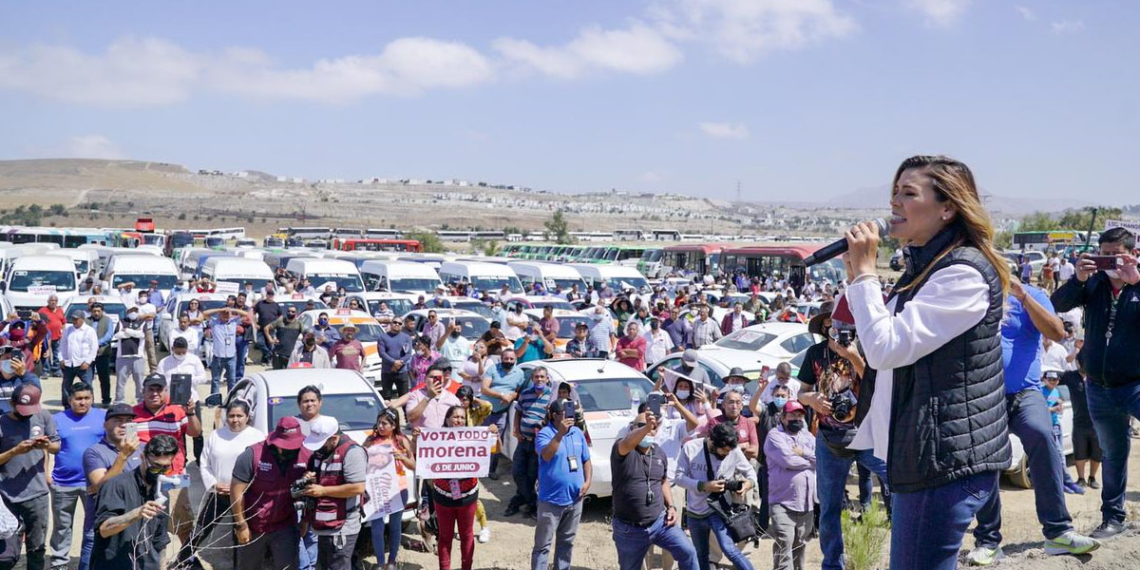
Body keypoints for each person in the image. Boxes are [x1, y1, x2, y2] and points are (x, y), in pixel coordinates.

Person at [842, 155, 1013, 570]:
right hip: (928, 454)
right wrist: (855, 275)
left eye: (908, 193)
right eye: (893, 193)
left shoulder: (964, 275)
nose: (894, 204)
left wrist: (866, 274)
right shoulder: (928, 268)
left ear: (947, 208)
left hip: (943, 462)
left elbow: (885, 349)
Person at [1050, 226, 1140, 539]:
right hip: (1099, 387)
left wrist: (1136, 284)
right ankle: (1114, 519)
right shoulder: (1095, 283)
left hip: (1135, 384)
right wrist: (1079, 278)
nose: (1110, 262)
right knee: (1113, 455)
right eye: (1104, 255)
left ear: (1133, 254)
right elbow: (1058, 305)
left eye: (1116, 255)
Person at [610, 408, 698, 570]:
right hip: (630, 528)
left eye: (653, 426)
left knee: (688, 552)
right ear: (632, 428)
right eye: (642, 425)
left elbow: (662, 481)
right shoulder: (623, 449)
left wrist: (670, 506)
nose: (650, 429)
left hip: (660, 522)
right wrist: (645, 428)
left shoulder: (658, 453)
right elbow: (627, 443)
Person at [132, 374, 201, 563]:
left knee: (183, 523)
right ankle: (153, 562)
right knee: (147, 523)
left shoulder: (178, 411)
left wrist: (191, 413)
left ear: (166, 392)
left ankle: (189, 559)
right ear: (143, 391)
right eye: (151, 389)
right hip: (144, 480)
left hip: (176, 478)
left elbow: (195, 432)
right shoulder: (133, 414)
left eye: (159, 389)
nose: (155, 393)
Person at [189, 400, 264, 570]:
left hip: (245, 497)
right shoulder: (216, 435)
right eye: (231, 416)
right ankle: (183, 560)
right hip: (219, 494)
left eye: (239, 416)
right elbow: (205, 462)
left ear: (247, 417)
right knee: (200, 530)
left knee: (240, 534)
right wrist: (214, 484)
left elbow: (262, 467)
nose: (235, 420)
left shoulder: (258, 437)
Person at [674, 422, 757, 570]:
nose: (726, 454)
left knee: (730, 549)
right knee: (702, 555)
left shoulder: (734, 451)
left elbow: (751, 474)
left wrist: (747, 484)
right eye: (723, 451)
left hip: (719, 510)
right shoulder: (691, 448)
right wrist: (703, 486)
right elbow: (679, 477)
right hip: (695, 512)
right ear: (712, 441)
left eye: (729, 451)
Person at [92, 434, 180, 570]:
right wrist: (136, 514)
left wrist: (162, 567)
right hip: (114, 564)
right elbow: (104, 529)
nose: (159, 473)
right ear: (143, 458)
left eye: (165, 468)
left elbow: (160, 540)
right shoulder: (116, 485)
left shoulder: (161, 490)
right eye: (155, 467)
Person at [231, 417, 308, 570]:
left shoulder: (305, 454)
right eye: (286, 446)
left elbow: (309, 492)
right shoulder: (252, 455)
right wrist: (241, 525)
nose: (291, 450)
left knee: (288, 567)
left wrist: (305, 519)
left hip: (285, 524)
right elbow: (236, 492)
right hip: (254, 525)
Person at [0, 384, 58, 570]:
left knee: (37, 548)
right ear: (11, 403)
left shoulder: (43, 416)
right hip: (7, 496)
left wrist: (46, 445)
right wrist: (15, 451)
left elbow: (56, 446)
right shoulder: (2, 423)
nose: (26, 414)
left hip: (37, 494)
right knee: (6, 553)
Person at [48, 382, 105, 570]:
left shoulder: (103, 417)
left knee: (94, 527)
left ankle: (92, 561)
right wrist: (47, 474)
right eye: (78, 399)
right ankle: (59, 563)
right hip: (63, 482)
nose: (83, 402)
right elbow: (45, 448)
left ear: (93, 398)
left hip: (94, 483)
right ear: (70, 400)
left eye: (87, 398)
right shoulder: (57, 419)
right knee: (62, 527)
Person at [299, 416, 367, 570]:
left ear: (334, 438)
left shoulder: (353, 453)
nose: (318, 448)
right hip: (321, 524)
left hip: (342, 526)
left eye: (322, 443)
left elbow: (357, 488)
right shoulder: (321, 452)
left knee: (337, 566)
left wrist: (323, 490)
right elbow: (319, 476)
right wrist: (309, 478)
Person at [531, 398, 591, 570]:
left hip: (575, 499)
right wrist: (560, 434)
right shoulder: (544, 434)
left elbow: (586, 460)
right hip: (551, 501)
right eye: (564, 414)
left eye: (570, 413)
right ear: (553, 415)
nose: (568, 417)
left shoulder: (578, 433)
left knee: (566, 543)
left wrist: (587, 481)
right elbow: (546, 455)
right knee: (543, 545)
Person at [81, 404, 140, 570]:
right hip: (101, 524)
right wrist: (123, 456)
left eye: (128, 421)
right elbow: (102, 489)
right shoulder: (94, 452)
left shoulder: (141, 449)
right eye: (117, 420)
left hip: (131, 522)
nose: (123, 425)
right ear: (105, 424)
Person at [428, 405, 481, 570]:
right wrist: (417, 439)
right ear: (447, 419)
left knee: (466, 535)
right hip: (443, 496)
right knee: (445, 536)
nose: (459, 420)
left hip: (467, 496)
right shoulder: (435, 437)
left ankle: (467, 567)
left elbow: (495, 449)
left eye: (462, 417)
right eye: (455, 417)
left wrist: (493, 434)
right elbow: (422, 455)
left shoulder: (474, 437)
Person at [765, 401, 816, 570]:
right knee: (784, 541)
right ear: (782, 417)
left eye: (799, 415)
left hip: (806, 502)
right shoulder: (775, 436)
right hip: (782, 501)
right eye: (792, 415)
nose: (797, 419)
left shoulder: (807, 436)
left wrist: (804, 453)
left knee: (799, 543)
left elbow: (821, 458)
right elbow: (787, 460)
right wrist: (811, 462)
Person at [363, 408, 415, 570]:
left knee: (395, 526)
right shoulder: (370, 440)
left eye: (385, 423)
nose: (380, 426)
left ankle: (392, 561)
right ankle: (379, 563)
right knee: (377, 527)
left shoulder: (402, 440)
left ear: (394, 425)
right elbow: (360, 460)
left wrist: (402, 457)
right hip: (377, 489)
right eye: (379, 422)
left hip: (398, 490)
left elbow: (414, 465)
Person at [506, 365, 555, 517]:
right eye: (536, 377)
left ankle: (522, 502)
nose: (539, 379)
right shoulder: (526, 393)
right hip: (523, 440)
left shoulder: (551, 397)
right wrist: (517, 431)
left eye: (542, 377)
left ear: (547, 379)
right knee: (517, 471)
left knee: (531, 474)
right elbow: (518, 413)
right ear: (532, 379)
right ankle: (531, 502)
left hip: (538, 443)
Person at [481, 348, 525, 478]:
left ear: (515, 360)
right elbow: (484, 389)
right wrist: (501, 396)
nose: (509, 361)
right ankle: (478, 467)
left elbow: (517, 391)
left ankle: (491, 470)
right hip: (485, 411)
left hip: (502, 412)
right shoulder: (493, 369)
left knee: (495, 440)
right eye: (506, 358)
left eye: (512, 359)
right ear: (501, 358)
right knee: (481, 439)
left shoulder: (520, 373)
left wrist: (511, 397)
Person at [203, 306, 251, 393]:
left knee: (232, 380)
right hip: (218, 356)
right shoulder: (214, 322)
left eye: (227, 313)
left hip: (231, 357)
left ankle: (230, 398)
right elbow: (204, 313)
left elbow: (246, 314)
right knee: (215, 380)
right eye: (223, 313)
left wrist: (232, 310)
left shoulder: (233, 322)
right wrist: (219, 309)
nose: (225, 315)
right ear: (219, 314)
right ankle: (215, 400)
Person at [113, 305, 147, 404]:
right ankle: (119, 401)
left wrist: (127, 331)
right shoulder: (121, 322)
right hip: (122, 357)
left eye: (135, 310)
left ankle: (141, 402)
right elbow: (117, 335)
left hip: (138, 357)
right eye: (131, 311)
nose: (133, 313)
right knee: (120, 382)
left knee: (139, 382)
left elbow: (141, 335)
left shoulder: (142, 322)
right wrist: (133, 333)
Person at [87, 304, 117, 407]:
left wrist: (96, 344)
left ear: (102, 311)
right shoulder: (86, 321)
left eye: (98, 311)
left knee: (104, 378)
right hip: (88, 354)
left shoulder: (108, 320)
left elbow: (109, 336)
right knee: (88, 379)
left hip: (103, 353)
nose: (96, 313)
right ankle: (90, 400)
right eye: (94, 311)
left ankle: (106, 400)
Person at [378, 319, 414, 401]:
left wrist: (400, 362)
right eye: (395, 322)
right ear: (391, 323)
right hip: (387, 371)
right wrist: (394, 362)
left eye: (399, 323)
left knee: (404, 398)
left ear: (402, 325)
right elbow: (382, 353)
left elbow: (408, 354)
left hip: (402, 372)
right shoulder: (382, 337)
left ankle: (405, 414)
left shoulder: (406, 337)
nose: (397, 324)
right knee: (386, 398)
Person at [0, 346, 41, 415]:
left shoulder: (27, 378)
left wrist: (24, 374)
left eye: (13, 358)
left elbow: (36, 392)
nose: (11, 361)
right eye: (6, 358)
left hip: (22, 418)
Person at [265, 306, 304, 370]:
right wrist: (270, 340)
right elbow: (266, 328)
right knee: (276, 373)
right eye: (289, 311)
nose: (290, 313)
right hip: (278, 353)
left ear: (296, 313)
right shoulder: (280, 321)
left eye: (293, 312)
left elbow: (306, 334)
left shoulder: (299, 324)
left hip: (291, 354)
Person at [37, 295, 65, 379]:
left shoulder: (60, 310)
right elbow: (38, 322)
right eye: (52, 300)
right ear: (48, 301)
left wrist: (63, 331)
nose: (54, 302)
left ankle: (56, 371)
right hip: (45, 337)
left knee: (57, 354)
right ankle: (46, 371)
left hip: (57, 337)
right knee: (46, 354)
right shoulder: (42, 310)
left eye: (55, 300)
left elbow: (63, 322)